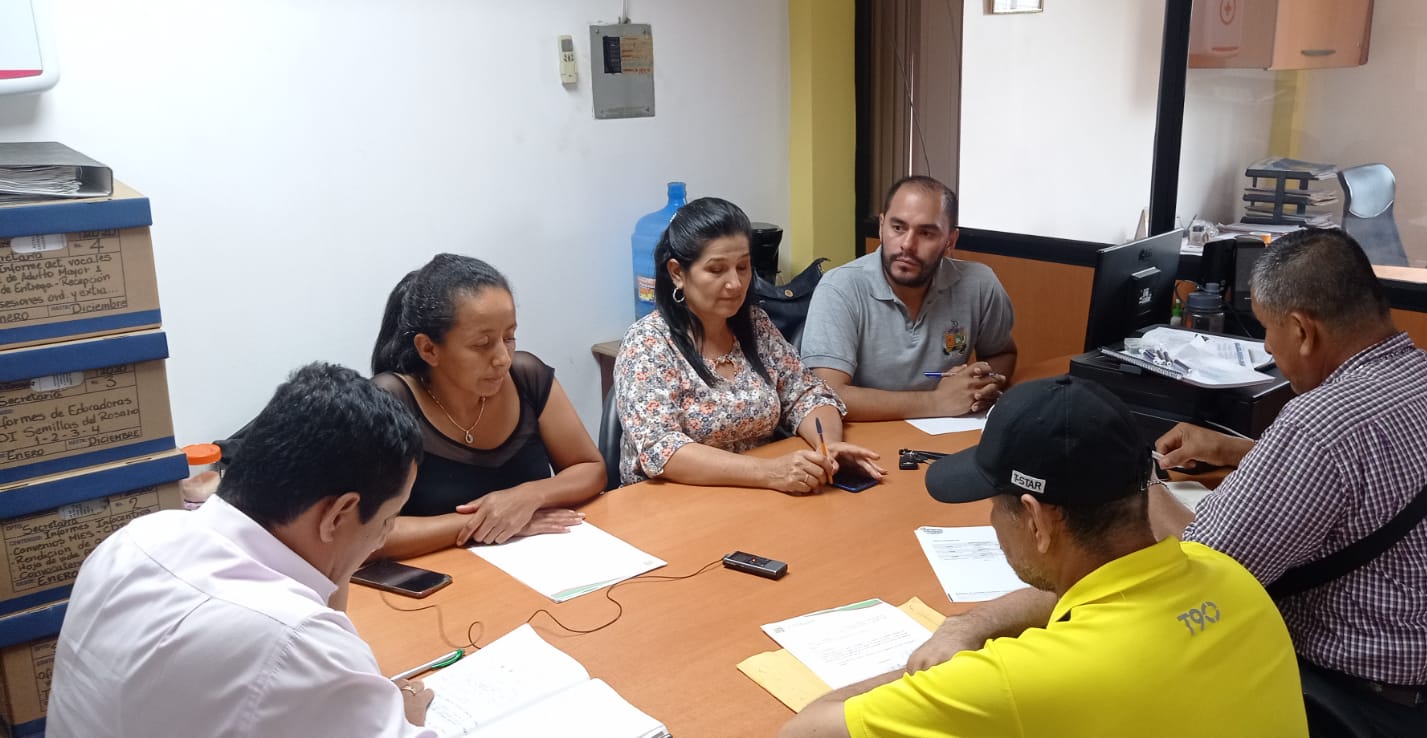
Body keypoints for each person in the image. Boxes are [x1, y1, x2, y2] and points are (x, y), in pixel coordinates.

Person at [912, 229, 1427, 737]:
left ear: (1303, 330)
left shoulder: (1319, 427)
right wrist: (1245, 451)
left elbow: (1180, 571)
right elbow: (1374, 479)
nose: (1268, 350)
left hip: (1359, 697)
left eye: (1267, 330)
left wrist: (1137, 480)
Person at [780, 375, 1307, 738]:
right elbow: (1091, 597)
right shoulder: (1228, 574)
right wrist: (967, 627)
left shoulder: (1023, 681)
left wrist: (936, 681)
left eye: (995, 504)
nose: (992, 520)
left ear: (1035, 520)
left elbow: (803, 731)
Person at [49, 364, 438, 737]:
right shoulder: (299, 644)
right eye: (387, 519)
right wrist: (408, 721)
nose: (381, 539)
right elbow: (301, 649)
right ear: (337, 515)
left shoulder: (134, 539)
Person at [615, 196, 883, 492]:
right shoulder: (647, 342)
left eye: (742, 267)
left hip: (757, 496)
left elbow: (806, 395)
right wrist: (769, 472)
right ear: (677, 273)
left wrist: (828, 447)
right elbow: (662, 448)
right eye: (717, 270)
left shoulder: (756, 325)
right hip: (672, 503)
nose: (735, 283)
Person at [371, 253, 605, 558]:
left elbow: (590, 468)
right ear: (428, 349)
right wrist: (493, 520)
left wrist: (529, 496)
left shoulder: (526, 377)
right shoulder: (392, 401)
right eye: (482, 344)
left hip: (538, 561)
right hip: (443, 575)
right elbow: (368, 535)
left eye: (509, 337)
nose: (502, 359)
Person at [800, 175, 1017, 421]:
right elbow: (827, 395)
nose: (907, 244)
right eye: (898, 228)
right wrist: (937, 402)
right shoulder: (840, 288)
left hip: (948, 431)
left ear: (950, 241)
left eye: (926, 233)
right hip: (868, 435)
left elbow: (1002, 354)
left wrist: (983, 384)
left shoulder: (979, 284)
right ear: (881, 227)